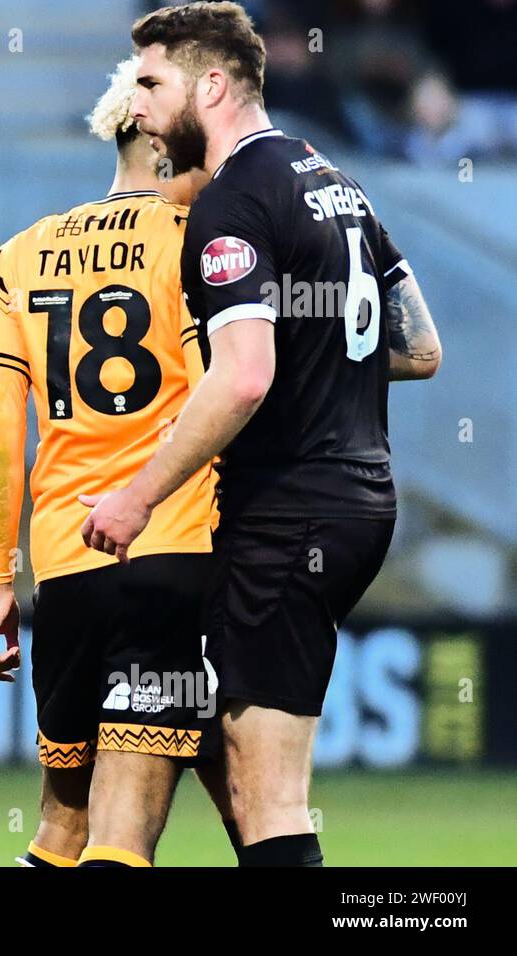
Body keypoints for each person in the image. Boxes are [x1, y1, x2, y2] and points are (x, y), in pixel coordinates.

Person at [82, 1, 442, 866]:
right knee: (255, 781)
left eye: (153, 81)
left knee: (267, 798)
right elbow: (420, 347)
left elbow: (244, 376)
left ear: (211, 84)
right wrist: (311, 357)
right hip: (358, 499)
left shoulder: (233, 202)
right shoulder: (337, 184)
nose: (140, 102)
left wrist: (135, 497)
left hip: (290, 513)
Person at [0, 56, 222, 868]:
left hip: (66, 564)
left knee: (59, 830)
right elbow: (218, 394)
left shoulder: (22, 253)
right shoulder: (193, 245)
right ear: (159, 140)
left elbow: (0, 430)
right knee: (124, 836)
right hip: (172, 547)